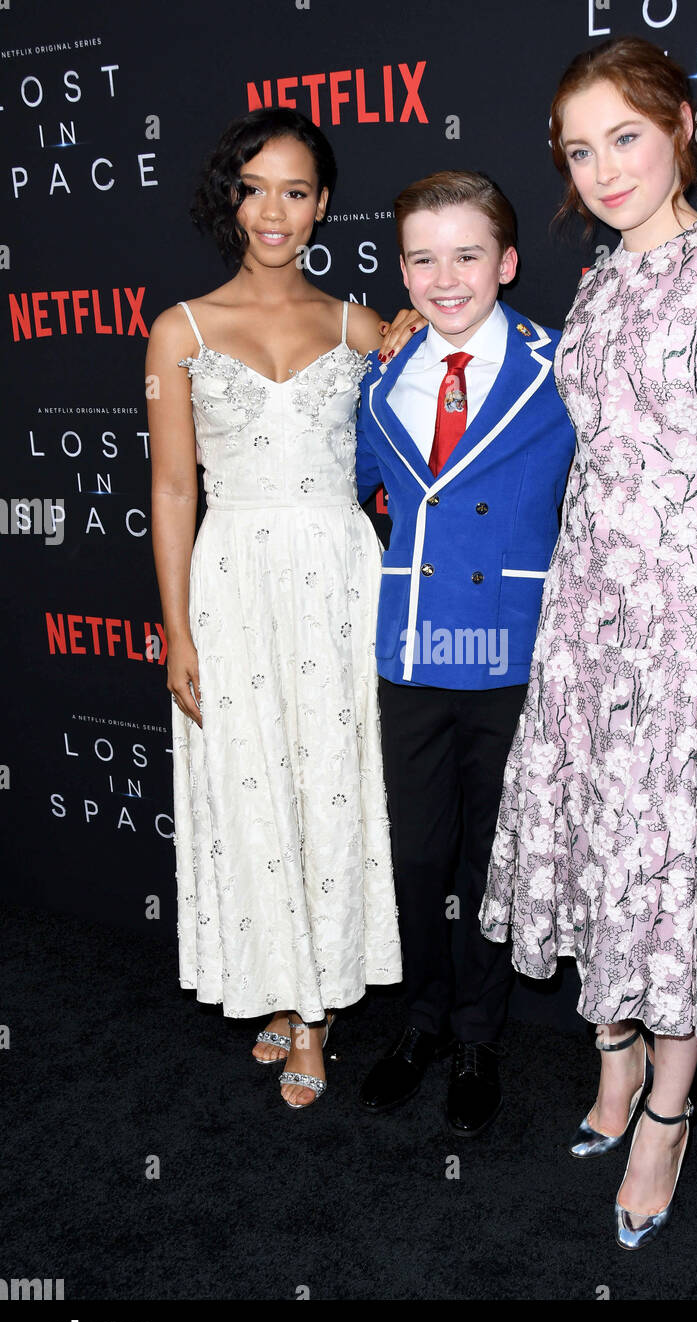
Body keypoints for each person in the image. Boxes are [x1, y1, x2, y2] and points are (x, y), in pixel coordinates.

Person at [479, 35, 697, 1245]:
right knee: (593, 843)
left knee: (666, 863)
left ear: (679, 127)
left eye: (625, 135)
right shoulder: (600, 278)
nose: (604, 167)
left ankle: (666, 1115)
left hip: (686, 618)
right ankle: (611, 1065)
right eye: (579, 147)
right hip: (585, 610)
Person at [147, 107, 402, 1110]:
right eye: (254, 187)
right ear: (231, 198)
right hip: (233, 580)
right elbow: (173, 491)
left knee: (331, 780)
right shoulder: (183, 328)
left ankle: (313, 1012)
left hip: (341, 577)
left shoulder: (363, 326)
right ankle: (284, 985)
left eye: (294, 191)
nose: (273, 210)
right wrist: (176, 628)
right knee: (253, 782)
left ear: (322, 205)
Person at [355, 171, 577, 1135]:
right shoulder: (383, 374)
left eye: (468, 254)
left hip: (511, 654)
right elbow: (370, 491)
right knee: (416, 857)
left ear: (508, 262)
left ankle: (479, 1034)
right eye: (422, 257)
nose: (446, 278)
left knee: (491, 862)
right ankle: (424, 1018)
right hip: (410, 649)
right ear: (402, 266)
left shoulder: (560, 363)